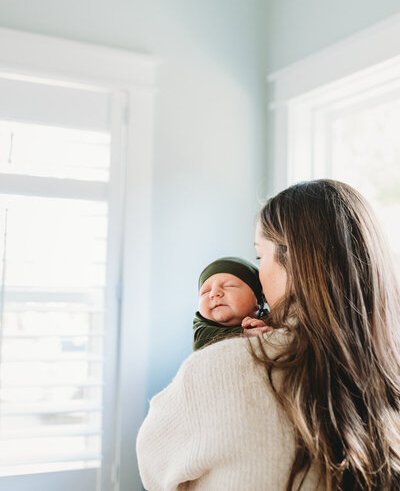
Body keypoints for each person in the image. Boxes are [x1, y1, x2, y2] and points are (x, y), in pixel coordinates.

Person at [136, 180, 400, 491]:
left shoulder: (219, 368)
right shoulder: (387, 372)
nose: (261, 274)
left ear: (295, 263)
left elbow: (154, 469)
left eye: (261, 258)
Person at [193, 256, 268, 350]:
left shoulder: (272, 318)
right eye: (206, 291)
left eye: (229, 286)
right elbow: (200, 342)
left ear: (258, 299)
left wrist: (265, 329)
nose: (214, 293)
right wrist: (243, 333)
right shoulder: (202, 327)